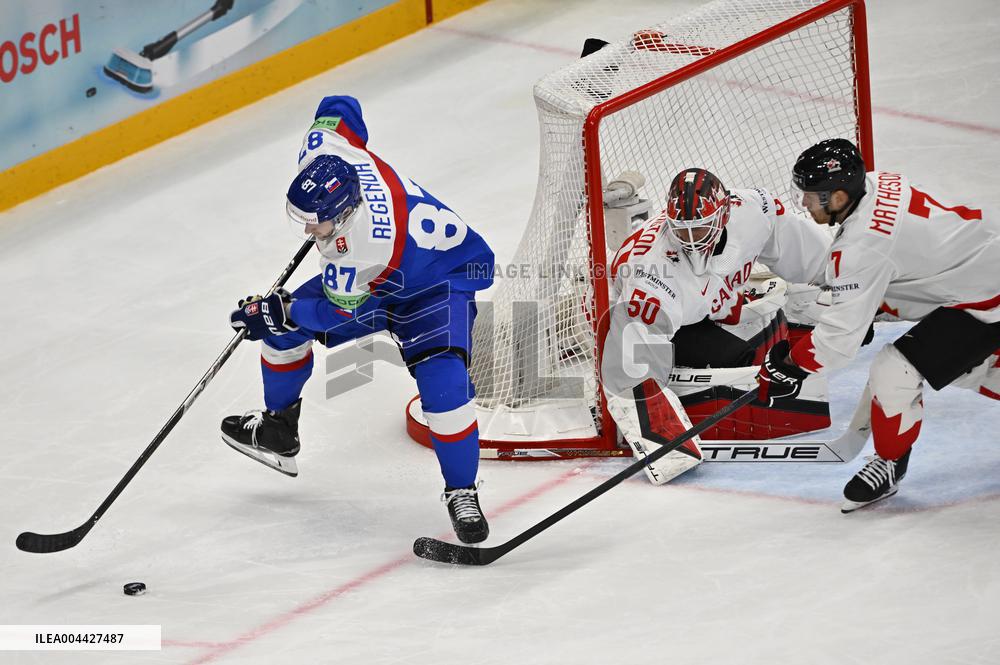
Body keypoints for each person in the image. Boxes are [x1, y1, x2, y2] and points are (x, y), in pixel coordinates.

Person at [221, 95, 495, 544]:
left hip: (436, 283)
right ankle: (278, 429)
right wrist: (340, 136)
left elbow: (332, 313)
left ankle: (462, 491)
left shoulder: (366, 246)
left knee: (444, 386)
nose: (308, 231)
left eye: (315, 223)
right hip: (377, 277)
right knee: (283, 330)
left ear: (345, 213)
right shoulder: (324, 150)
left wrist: (279, 310)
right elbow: (340, 106)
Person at [755, 138, 1000, 512]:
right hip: (979, 272)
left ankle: (889, 463)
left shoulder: (862, 246)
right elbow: (906, 265)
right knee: (966, 365)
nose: (804, 202)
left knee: (894, 370)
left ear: (840, 197)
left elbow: (836, 342)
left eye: (812, 195)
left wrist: (790, 366)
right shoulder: (878, 182)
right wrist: (867, 309)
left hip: (984, 297)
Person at [601, 167, 833, 483]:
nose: (691, 240)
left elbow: (802, 249)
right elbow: (631, 369)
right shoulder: (652, 275)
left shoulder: (751, 209)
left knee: (765, 334)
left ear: (724, 214)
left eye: (699, 229)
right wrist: (667, 447)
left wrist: (843, 292)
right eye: (682, 231)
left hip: (693, 308)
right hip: (633, 320)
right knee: (743, 357)